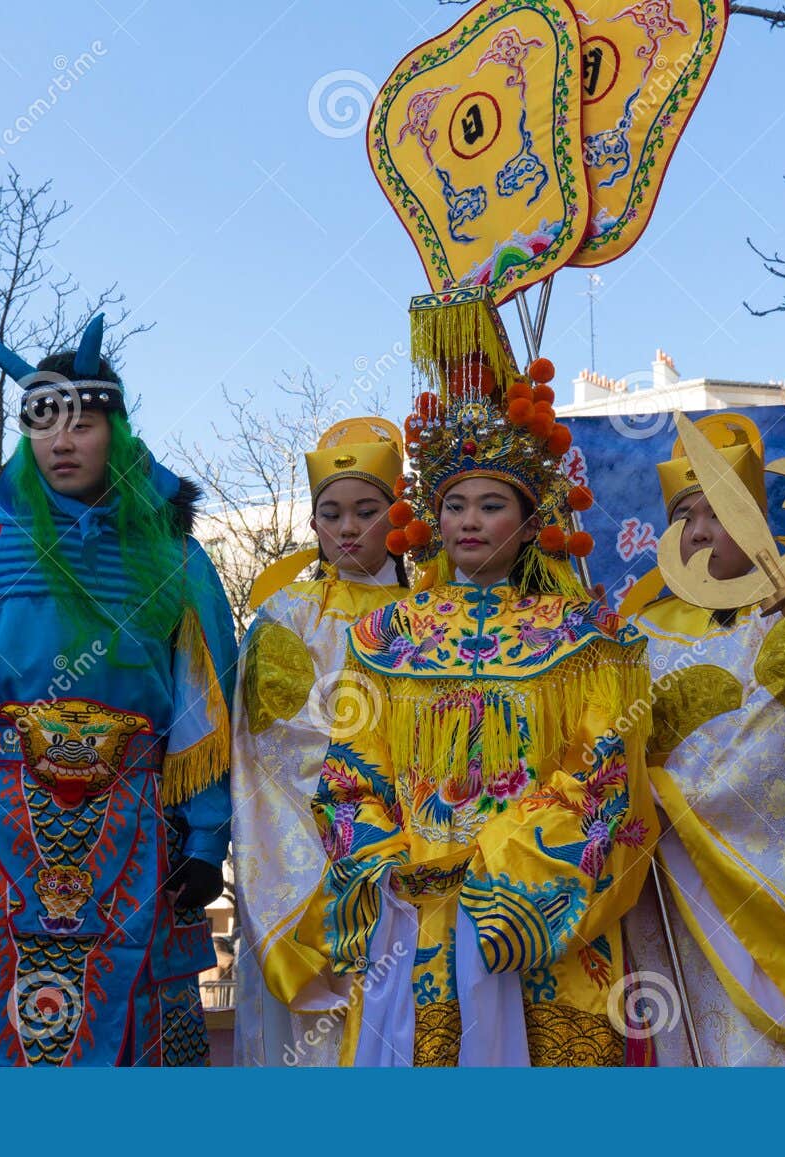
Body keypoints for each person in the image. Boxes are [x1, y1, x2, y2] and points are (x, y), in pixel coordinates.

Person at [0, 315, 237, 1065]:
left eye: (83, 423)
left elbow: (208, 706)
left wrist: (205, 835)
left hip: (135, 830)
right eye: (43, 423)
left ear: (117, 434)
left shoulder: (178, 563)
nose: (62, 441)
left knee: (132, 1042)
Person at [296, 300, 657, 1065]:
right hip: (416, 921)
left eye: (492, 504)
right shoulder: (384, 637)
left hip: (540, 925)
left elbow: (606, 779)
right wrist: (385, 861)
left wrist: (506, 873)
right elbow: (349, 777)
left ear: (531, 523)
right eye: (454, 503)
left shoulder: (588, 637)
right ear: (429, 518)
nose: (468, 520)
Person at [622, 414, 785, 1065]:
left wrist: (673, 794)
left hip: (770, 877)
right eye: (685, 515)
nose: (701, 530)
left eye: (720, 512)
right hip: (679, 887)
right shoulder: (643, 631)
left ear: (758, 520)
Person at [231, 417, 411, 1066]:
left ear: (400, 514)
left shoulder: (438, 611)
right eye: (330, 513)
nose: (348, 528)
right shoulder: (286, 616)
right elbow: (273, 750)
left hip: (419, 865)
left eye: (367, 510)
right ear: (312, 525)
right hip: (315, 867)